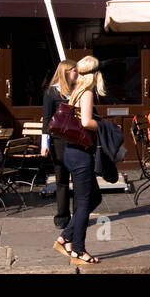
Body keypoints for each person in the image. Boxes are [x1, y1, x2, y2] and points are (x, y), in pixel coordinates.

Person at [55, 56, 105, 265]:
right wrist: (105, 126)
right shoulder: (87, 92)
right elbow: (85, 122)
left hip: (71, 151)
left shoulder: (75, 91)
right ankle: (78, 249)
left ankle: (65, 237)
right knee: (84, 202)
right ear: (95, 74)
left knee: (94, 198)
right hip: (80, 155)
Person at [41, 59, 78, 229]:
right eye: (74, 71)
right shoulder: (51, 93)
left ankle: (79, 215)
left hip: (78, 139)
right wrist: (45, 142)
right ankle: (62, 216)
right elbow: (47, 119)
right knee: (62, 179)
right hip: (59, 141)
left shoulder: (79, 90)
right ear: (65, 72)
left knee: (78, 178)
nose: (77, 74)